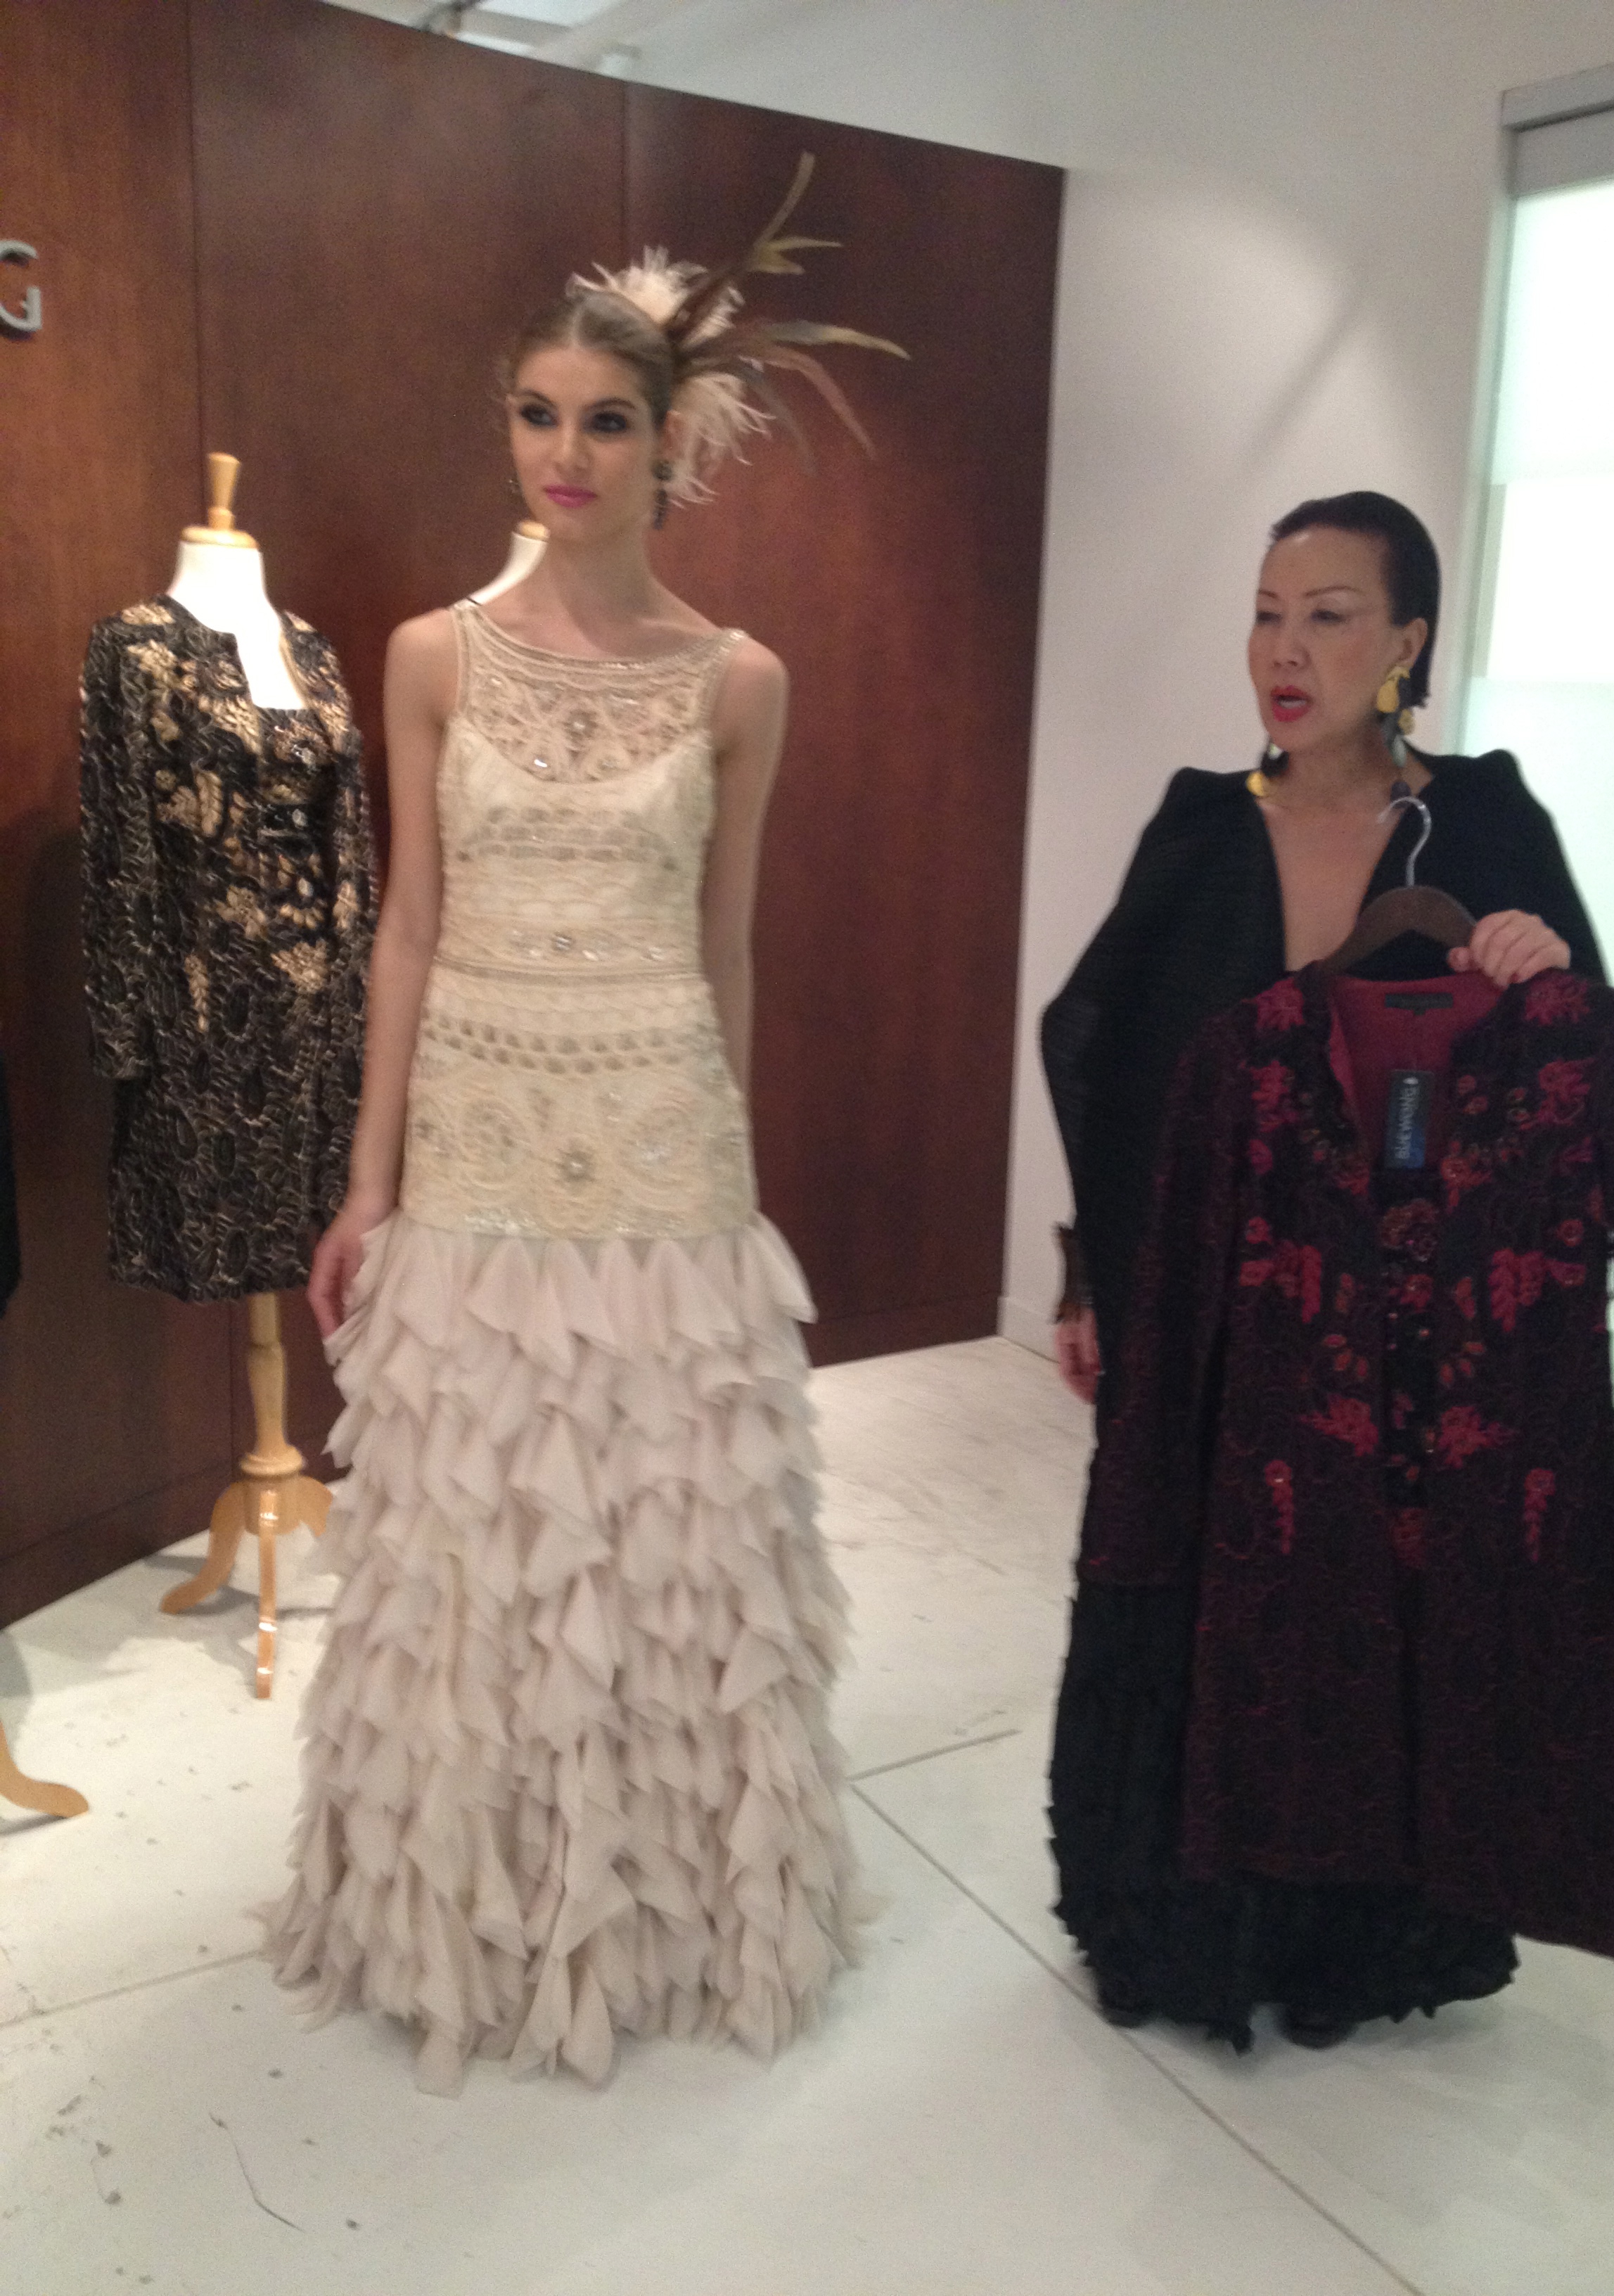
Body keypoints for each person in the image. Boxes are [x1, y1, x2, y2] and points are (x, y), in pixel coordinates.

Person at [266, 172, 901, 2093]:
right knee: (482, 1534)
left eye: (606, 420)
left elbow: (731, 951)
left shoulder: (740, 681)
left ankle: (673, 1904)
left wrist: (732, 1181)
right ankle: (475, 1904)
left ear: (669, 441)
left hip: (658, 1141)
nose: (566, 454)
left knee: (665, 1534)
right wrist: (367, 1184)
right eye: (537, 415)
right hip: (478, 1132)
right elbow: (406, 926)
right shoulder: (431, 654)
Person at [1043, 490, 1605, 2048]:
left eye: (1330, 616)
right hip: (1217, 1315)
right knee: (1201, 1606)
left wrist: (1541, 977)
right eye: (1268, 614)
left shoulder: (1484, 826)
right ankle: (1184, 1919)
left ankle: (1352, 1932)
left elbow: (1571, 1081)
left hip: (1402, 1328)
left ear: (1406, 641)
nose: (1284, 652)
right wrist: (1093, 1277)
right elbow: (1105, 1052)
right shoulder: (1202, 824)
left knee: (1372, 1621)